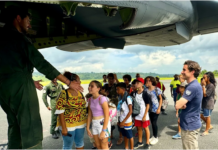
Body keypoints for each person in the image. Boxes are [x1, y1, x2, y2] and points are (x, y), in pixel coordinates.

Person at [0, 6, 83, 149]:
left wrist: (29, 81)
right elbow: (41, 63)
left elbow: (8, 66)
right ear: (18, 18)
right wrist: (69, 82)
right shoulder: (19, 38)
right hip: (20, 87)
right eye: (28, 20)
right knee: (30, 124)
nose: (30, 25)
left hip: (4, 87)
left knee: (14, 123)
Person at [55, 72, 87, 149]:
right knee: (67, 146)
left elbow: (84, 107)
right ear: (73, 82)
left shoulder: (80, 93)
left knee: (80, 143)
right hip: (68, 125)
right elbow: (60, 111)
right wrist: (64, 128)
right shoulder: (64, 93)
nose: (80, 82)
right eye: (78, 80)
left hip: (81, 123)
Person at [175, 60, 202, 150]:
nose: (181, 72)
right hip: (189, 124)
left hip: (189, 127)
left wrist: (180, 103)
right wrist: (182, 104)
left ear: (192, 71)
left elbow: (178, 105)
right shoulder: (192, 85)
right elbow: (184, 103)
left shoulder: (192, 87)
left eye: (184, 69)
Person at [87, 80, 110, 150]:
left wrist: (104, 130)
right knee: (98, 145)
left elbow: (107, 116)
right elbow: (89, 115)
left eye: (92, 86)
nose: (89, 87)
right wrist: (87, 127)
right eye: (89, 86)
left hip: (103, 124)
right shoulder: (90, 100)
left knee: (104, 146)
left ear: (98, 88)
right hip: (94, 124)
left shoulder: (102, 99)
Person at [133, 78, 151, 149]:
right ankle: (140, 142)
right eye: (135, 83)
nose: (136, 84)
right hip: (137, 115)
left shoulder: (145, 93)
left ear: (142, 84)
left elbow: (148, 105)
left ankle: (147, 143)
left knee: (146, 128)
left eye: (138, 83)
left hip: (144, 115)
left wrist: (144, 116)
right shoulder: (134, 93)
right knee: (139, 128)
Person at [145, 76, 162, 145]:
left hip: (155, 109)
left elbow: (160, 99)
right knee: (151, 122)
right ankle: (153, 136)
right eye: (146, 80)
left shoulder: (156, 89)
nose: (147, 82)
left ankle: (155, 137)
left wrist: (159, 108)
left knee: (154, 123)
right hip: (148, 109)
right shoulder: (145, 90)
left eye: (149, 80)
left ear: (152, 81)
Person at [116, 83, 134, 150]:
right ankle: (126, 147)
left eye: (118, 89)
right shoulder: (120, 97)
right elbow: (119, 109)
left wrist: (123, 121)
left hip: (127, 121)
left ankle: (131, 148)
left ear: (123, 89)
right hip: (121, 120)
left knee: (130, 136)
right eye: (116, 89)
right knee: (125, 135)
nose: (116, 91)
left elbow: (130, 111)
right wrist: (119, 120)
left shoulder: (128, 98)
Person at [103, 73, 120, 143]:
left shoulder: (116, 85)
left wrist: (116, 78)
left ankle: (117, 136)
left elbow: (120, 86)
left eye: (112, 78)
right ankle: (110, 135)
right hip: (107, 105)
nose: (110, 80)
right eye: (109, 78)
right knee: (108, 121)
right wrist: (105, 94)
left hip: (114, 106)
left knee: (115, 121)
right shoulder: (105, 85)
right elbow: (101, 92)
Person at [200, 72, 216, 136]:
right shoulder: (206, 84)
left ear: (208, 78)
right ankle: (209, 125)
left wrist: (203, 86)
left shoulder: (211, 85)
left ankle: (206, 130)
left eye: (204, 78)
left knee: (207, 117)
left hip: (208, 103)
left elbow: (205, 94)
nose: (203, 79)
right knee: (200, 114)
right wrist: (202, 85)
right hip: (203, 103)